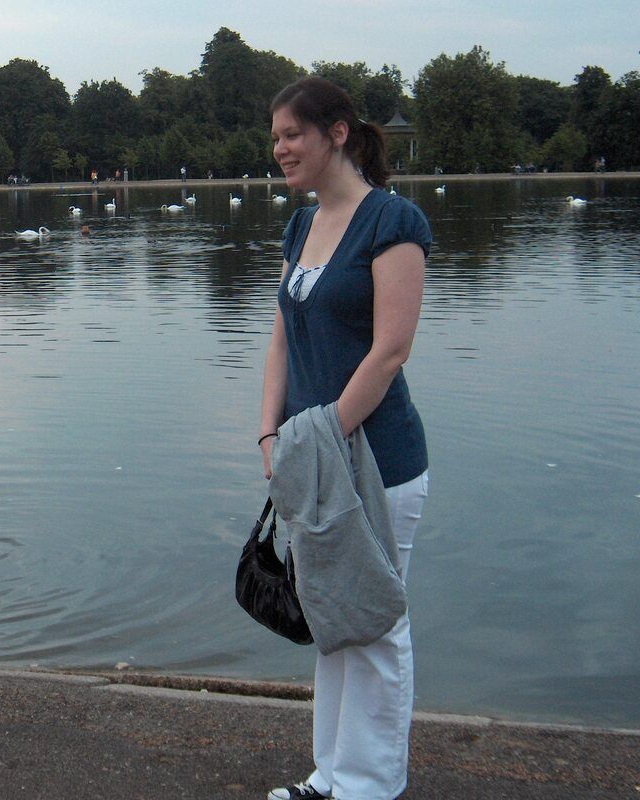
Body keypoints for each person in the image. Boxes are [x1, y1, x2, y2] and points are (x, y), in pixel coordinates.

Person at [259, 76, 431, 800]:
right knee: (333, 621)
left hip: (375, 460)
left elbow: (390, 350)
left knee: (374, 622)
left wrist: (319, 437)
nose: (280, 149)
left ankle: (372, 786)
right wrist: (270, 434)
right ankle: (332, 777)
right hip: (309, 457)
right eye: (274, 138)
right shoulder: (302, 226)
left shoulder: (392, 221)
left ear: (337, 133)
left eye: (292, 134)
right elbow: (281, 339)